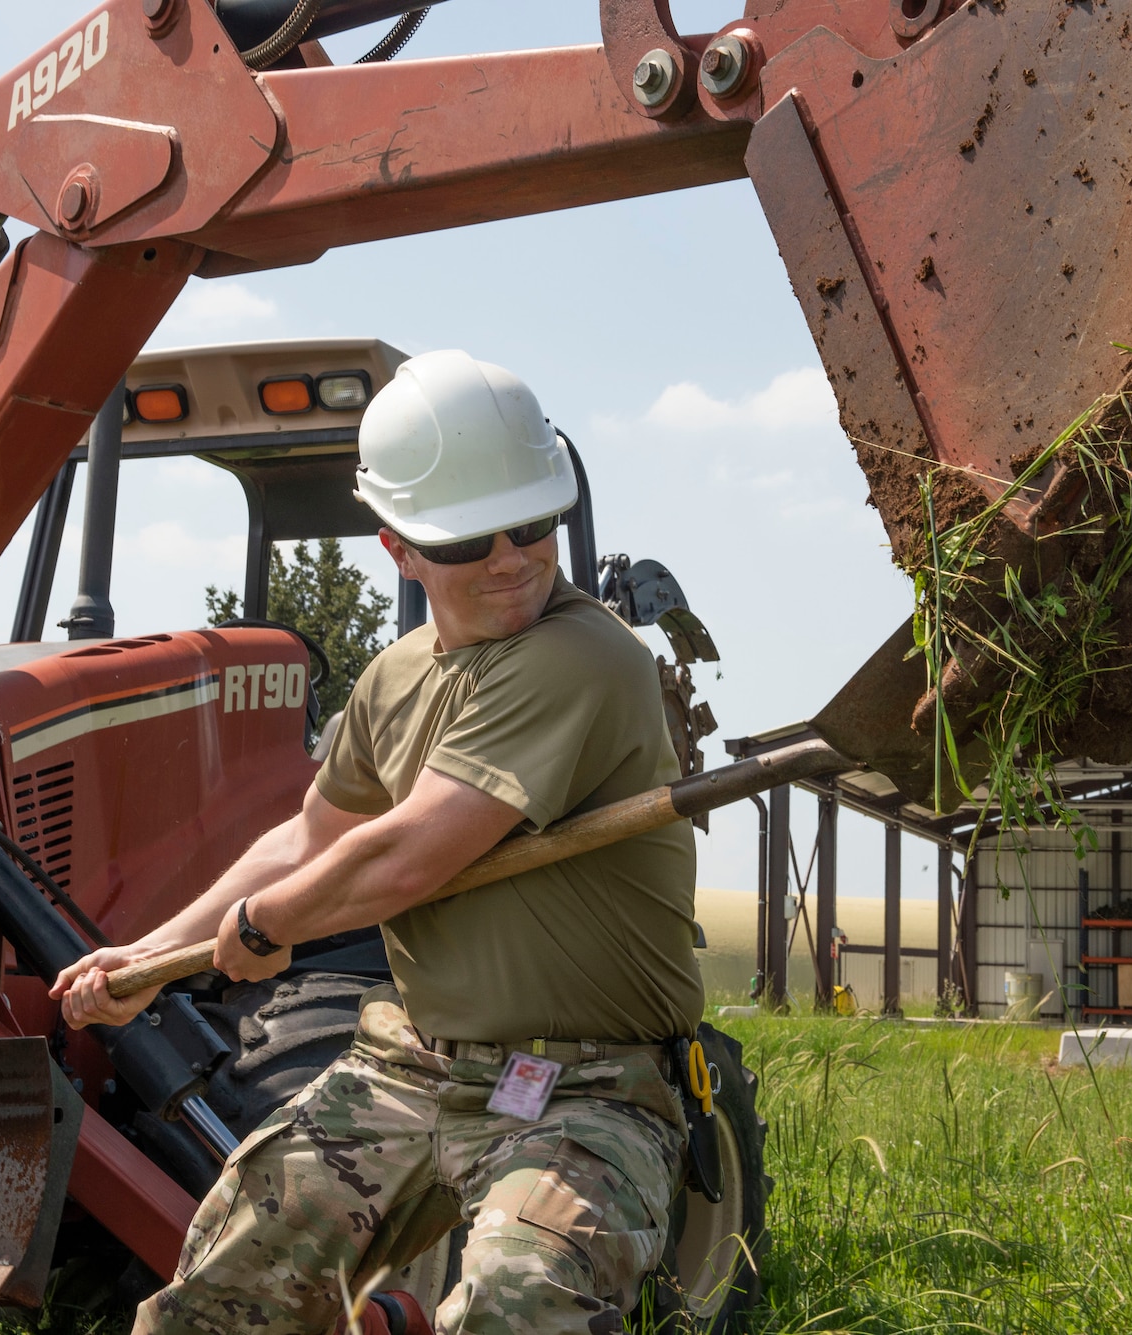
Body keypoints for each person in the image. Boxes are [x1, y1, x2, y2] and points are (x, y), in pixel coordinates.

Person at [52, 349, 705, 1335]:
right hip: (416, 1067)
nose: (511, 557)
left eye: (533, 524)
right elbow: (307, 838)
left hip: (585, 1085)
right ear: (397, 548)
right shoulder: (392, 680)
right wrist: (152, 957)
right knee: (221, 1294)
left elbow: (411, 853)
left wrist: (268, 922)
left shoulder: (583, 656)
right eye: (470, 539)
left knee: (521, 1306)